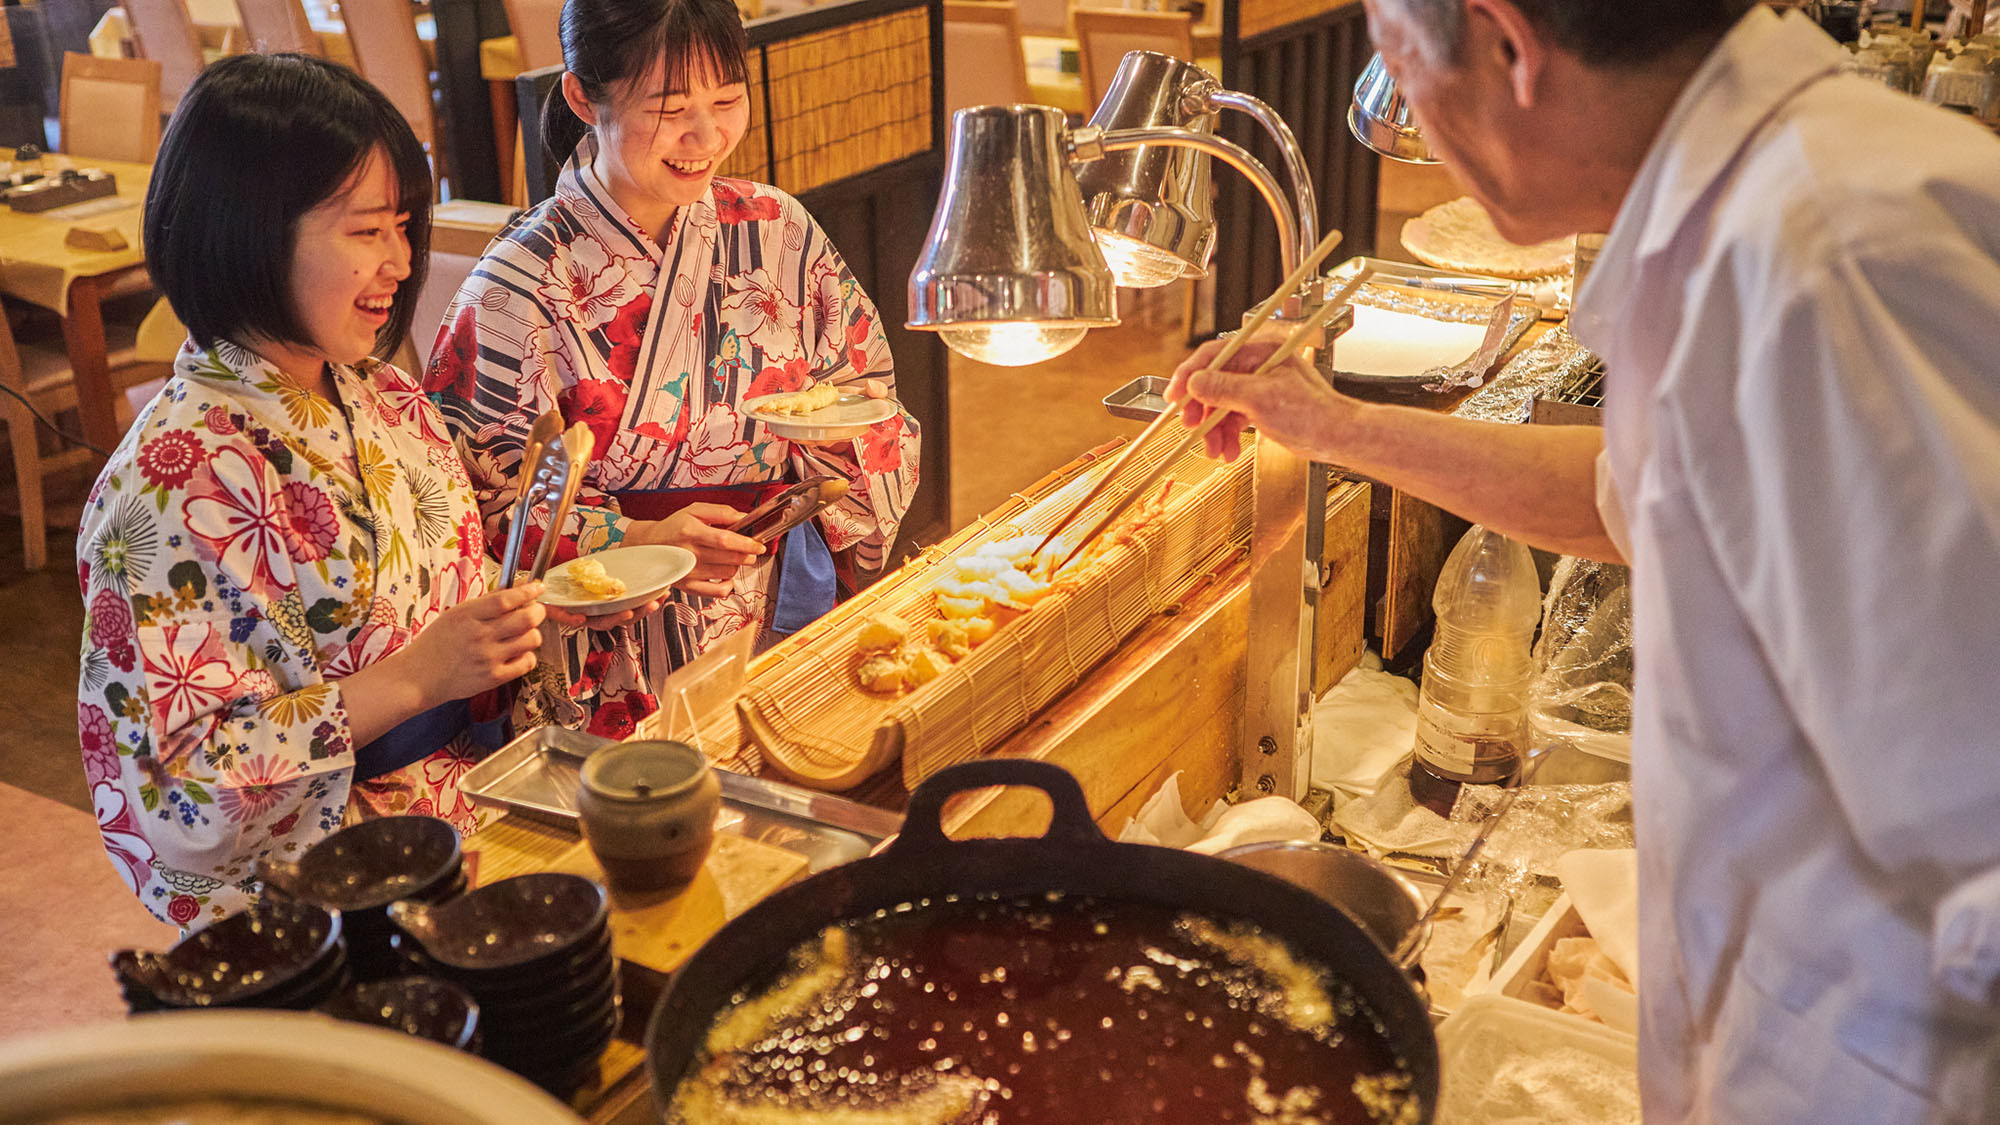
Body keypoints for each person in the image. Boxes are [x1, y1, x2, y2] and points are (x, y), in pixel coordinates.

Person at [1172, 2, 2000, 1120]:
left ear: (1505, 43)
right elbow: (1635, 501)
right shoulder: (1740, 220)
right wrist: (1327, 424)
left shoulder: (1824, 265)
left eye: (1397, 61)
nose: (1402, 106)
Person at [75, 54, 653, 929]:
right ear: (251, 230)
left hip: (465, 821)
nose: (401, 260)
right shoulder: (166, 483)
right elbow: (184, 784)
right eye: (364, 231)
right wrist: (422, 676)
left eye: (404, 226)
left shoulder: (379, 392)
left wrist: (507, 621)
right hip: (319, 896)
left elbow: (436, 584)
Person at [425, 0, 920, 739]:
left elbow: (868, 396)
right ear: (583, 97)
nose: (707, 136)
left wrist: (821, 465)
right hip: (607, 659)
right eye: (670, 108)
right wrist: (631, 541)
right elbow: (472, 513)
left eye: (726, 101)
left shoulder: (776, 229)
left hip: (776, 608)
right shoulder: (515, 289)